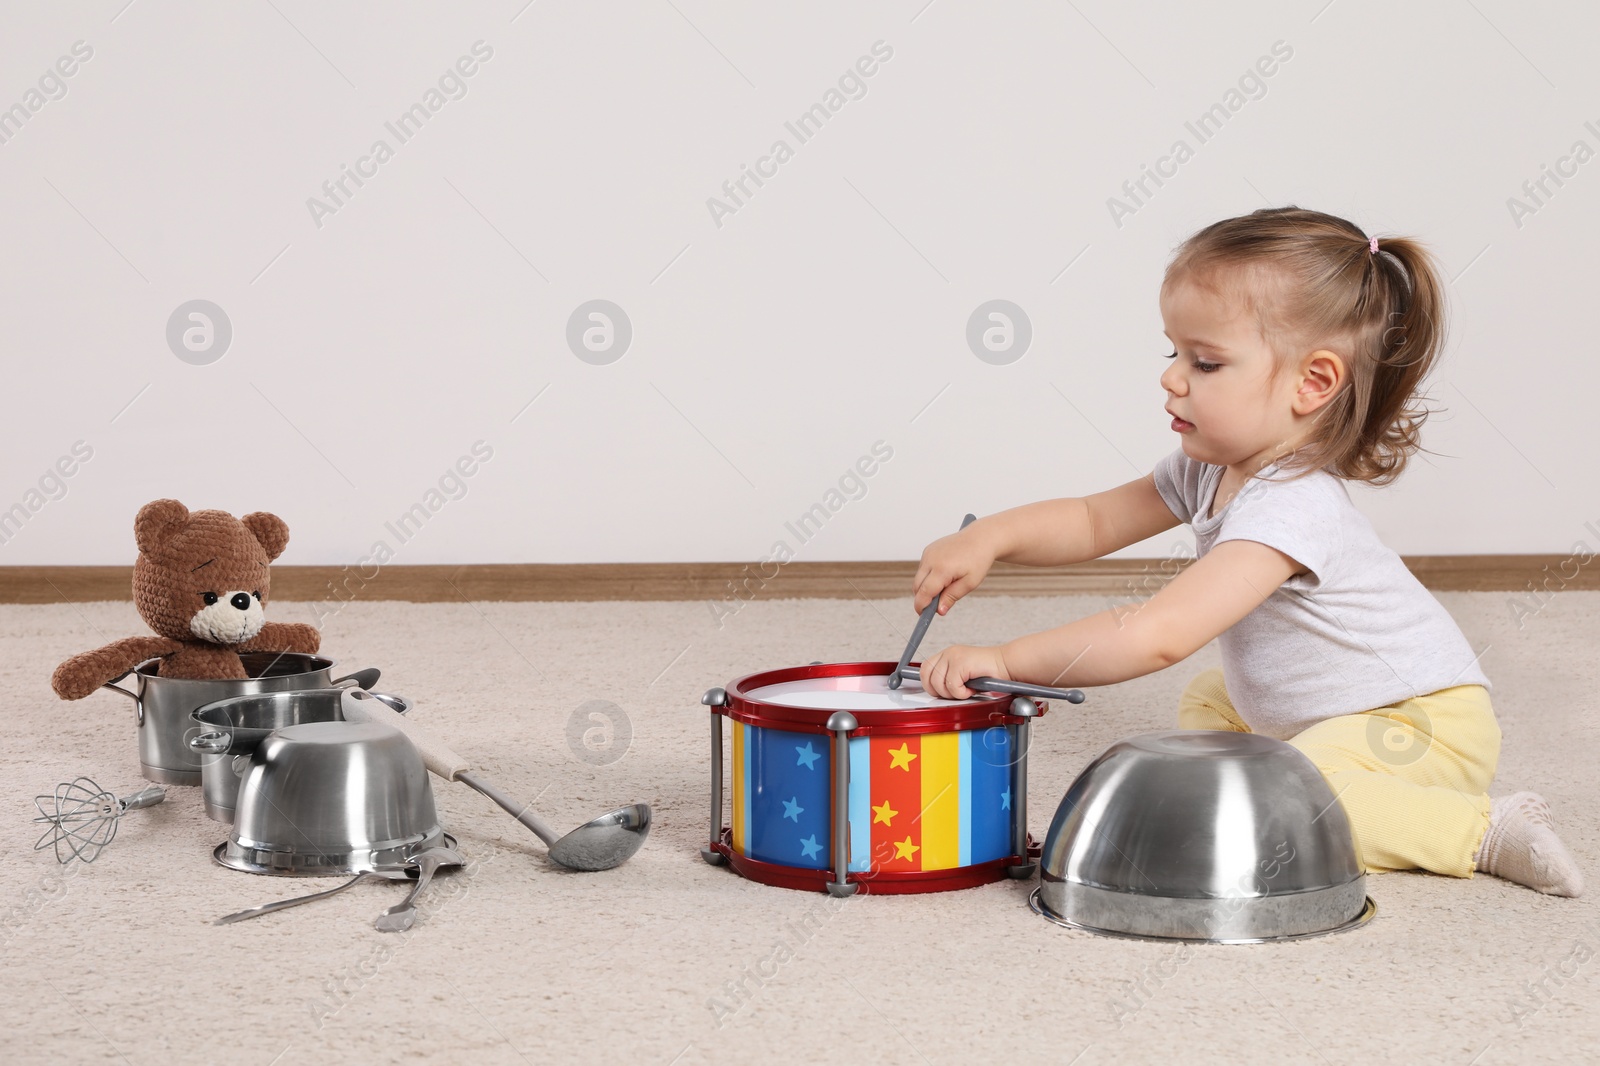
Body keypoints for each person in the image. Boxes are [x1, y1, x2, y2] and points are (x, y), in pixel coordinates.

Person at [912, 206, 1582, 896]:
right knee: (1210, 703)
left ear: (1312, 383)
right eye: (1173, 352)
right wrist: (988, 536)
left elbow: (1157, 635)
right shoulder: (1207, 466)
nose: (1172, 378)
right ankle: (1300, 768)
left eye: (1205, 362)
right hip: (1320, 714)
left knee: (1301, 805)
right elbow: (1091, 519)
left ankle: (1484, 830)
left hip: (1417, 722)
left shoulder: (1293, 505)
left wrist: (1003, 661)